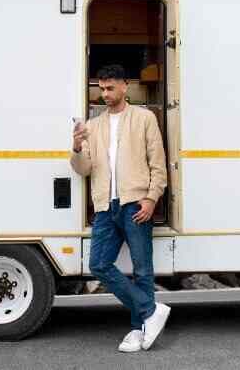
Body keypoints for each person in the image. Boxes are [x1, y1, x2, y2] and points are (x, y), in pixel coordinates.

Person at [71, 64, 170, 353]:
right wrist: (76, 147)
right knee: (98, 265)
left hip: (135, 204)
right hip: (105, 206)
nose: (105, 93)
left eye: (110, 87)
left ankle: (139, 330)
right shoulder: (93, 126)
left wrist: (151, 198)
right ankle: (150, 310)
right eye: (101, 88)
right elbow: (84, 169)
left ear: (125, 86)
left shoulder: (144, 118)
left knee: (142, 270)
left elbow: (158, 163)